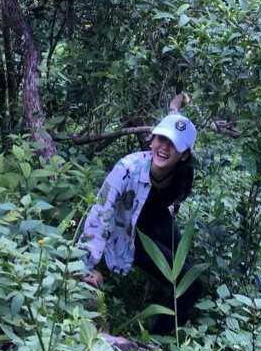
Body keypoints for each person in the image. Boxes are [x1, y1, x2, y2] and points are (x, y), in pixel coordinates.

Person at [80, 113, 203, 335]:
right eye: (161, 139)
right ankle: (157, 342)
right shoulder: (127, 168)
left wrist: (176, 106)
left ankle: (163, 333)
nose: (164, 147)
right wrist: (86, 266)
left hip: (155, 220)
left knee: (191, 280)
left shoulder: (183, 174)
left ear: (184, 155)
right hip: (127, 231)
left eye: (173, 144)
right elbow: (100, 213)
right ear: (152, 139)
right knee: (190, 284)